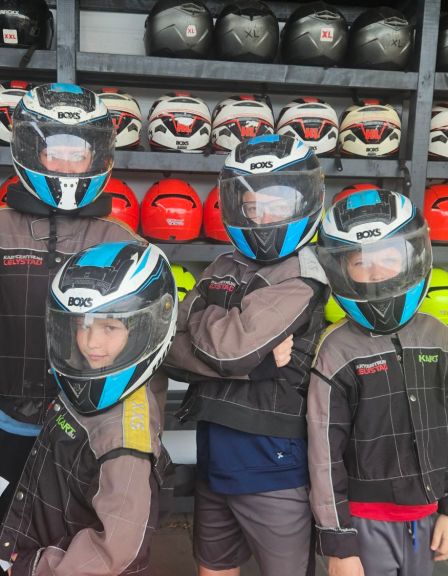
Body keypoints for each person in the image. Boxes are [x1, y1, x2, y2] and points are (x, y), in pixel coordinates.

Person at [0, 83, 142, 576]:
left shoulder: (121, 241)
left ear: (97, 157)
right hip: (10, 429)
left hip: (90, 431)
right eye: (56, 151)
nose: (67, 164)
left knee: (80, 546)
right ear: (32, 152)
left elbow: (141, 349)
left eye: (78, 153)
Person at [164, 134, 329, 576]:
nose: (260, 216)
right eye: (251, 205)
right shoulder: (224, 264)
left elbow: (230, 349)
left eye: (275, 204)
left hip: (272, 457)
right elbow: (166, 348)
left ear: (303, 201)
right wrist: (250, 364)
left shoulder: (302, 275)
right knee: (212, 566)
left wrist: (203, 322)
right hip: (214, 447)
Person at [308, 188, 448, 576]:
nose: (377, 271)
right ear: (340, 269)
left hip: (428, 515)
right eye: (361, 262)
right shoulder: (336, 350)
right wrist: (339, 541)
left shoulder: (442, 340)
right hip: (363, 521)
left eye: (390, 257)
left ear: (413, 257)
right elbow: (323, 455)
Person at [0, 241, 176, 575]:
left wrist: (36, 568)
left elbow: (116, 549)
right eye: (82, 324)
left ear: (145, 330)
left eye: (110, 327)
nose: (92, 342)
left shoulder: (125, 439)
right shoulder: (83, 380)